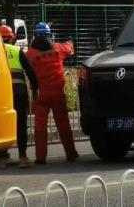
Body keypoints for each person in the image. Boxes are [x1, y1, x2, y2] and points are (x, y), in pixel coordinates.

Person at [25, 23, 78, 164]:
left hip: (41, 94)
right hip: (58, 93)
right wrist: (69, 42)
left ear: (35, 35)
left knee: (39, 126)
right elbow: (69, 48)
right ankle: (71, 154)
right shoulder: (58, 48)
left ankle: (40, 158)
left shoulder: (30, 54)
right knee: (63, 123)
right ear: (49, 35)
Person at [0, 24, 38, 168]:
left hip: (3, 93)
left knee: (2, 125)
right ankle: (22, 157)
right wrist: (35, 88)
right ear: (12, 38)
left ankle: (2, 159)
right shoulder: (17, 51)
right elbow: (30, 71)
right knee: (21, 124)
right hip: (19, 92)